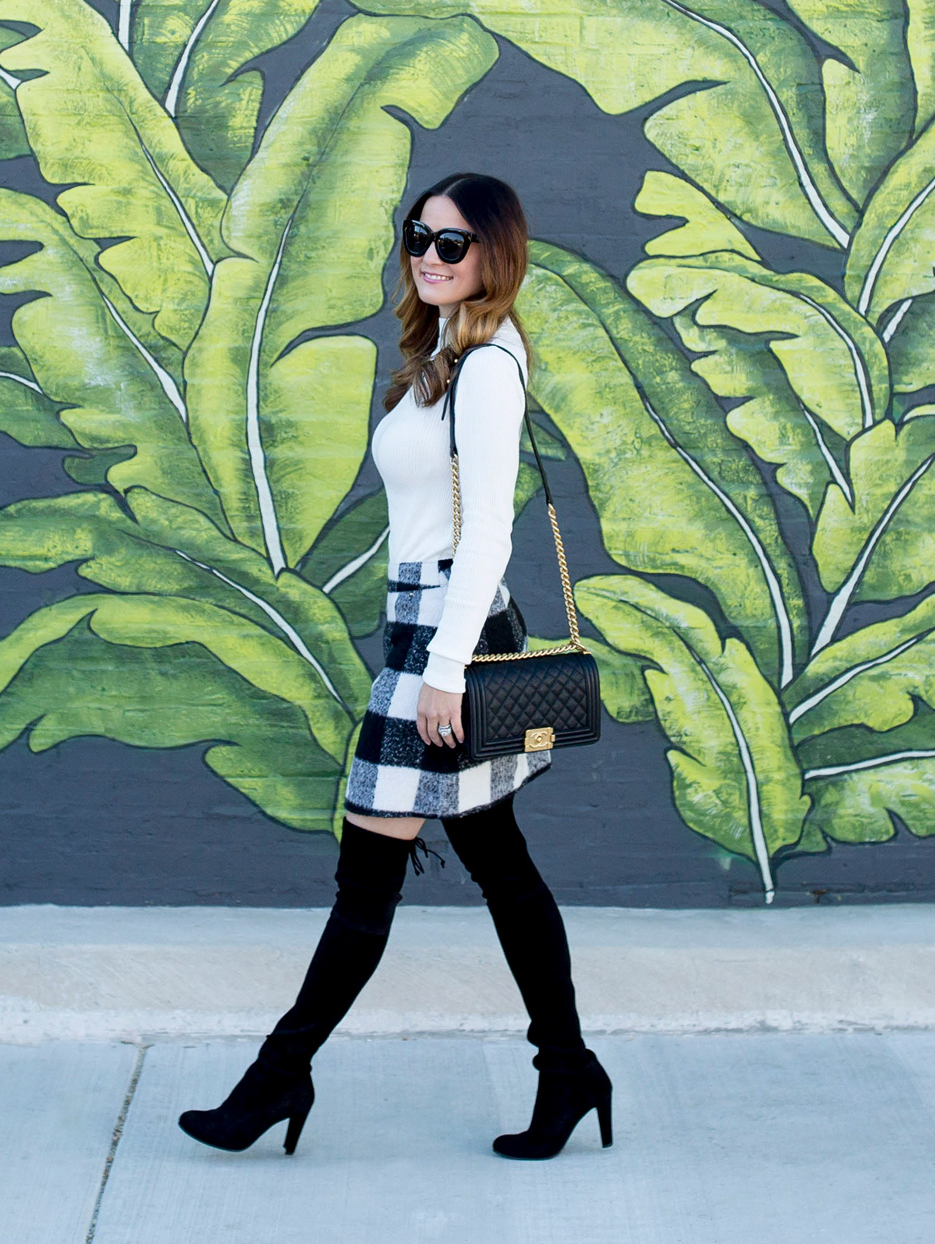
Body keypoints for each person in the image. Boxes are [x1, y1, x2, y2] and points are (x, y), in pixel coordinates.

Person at [178, 173, 612, 1162]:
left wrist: (443, 672)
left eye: (451, 243)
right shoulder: (444, 358)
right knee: (500, 863)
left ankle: (274, 1081)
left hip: (445, 635)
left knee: (365, 874)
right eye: (417, 234)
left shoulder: (490, 371)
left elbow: (488, 537)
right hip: (424, 625)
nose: (426, 252)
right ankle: (570, 1071)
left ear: (494, 255)